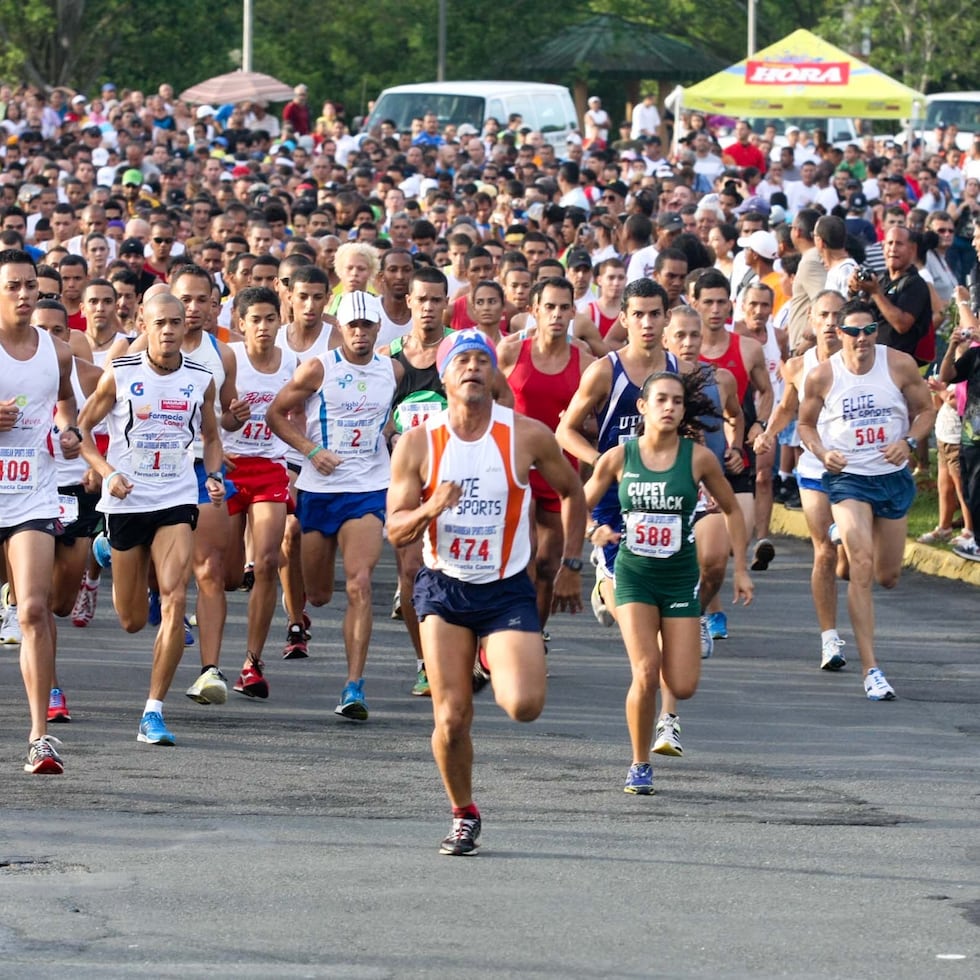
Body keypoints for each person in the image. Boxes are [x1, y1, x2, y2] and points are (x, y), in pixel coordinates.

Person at [386, 329, 586, 855]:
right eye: (463, 361)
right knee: (451, 718)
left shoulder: (527, 435)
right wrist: (433, 507)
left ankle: (492, 652)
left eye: (482, 360)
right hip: (443, 589)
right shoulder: (418, 443)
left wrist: (570, 563)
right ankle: (463, 813)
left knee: (523, 706)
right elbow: (396, 529)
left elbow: (572, 491)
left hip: (505, 590)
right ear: (445, 375)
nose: (473, 368)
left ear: (494, 375)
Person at [584, 371, 753, 794]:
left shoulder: (697, 459)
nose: (670, 408)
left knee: (683, 685)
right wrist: (593, 531)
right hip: (634, 576)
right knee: (645, 670)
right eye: (661, 400)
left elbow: (732, 510)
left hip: (679, 579)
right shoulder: (619, 457)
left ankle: (673, 703)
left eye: (677, 402)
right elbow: (577, 505)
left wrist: (741, 568)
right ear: (642, 407)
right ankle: (639, 763)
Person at [79, 292, 226, 745]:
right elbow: (81, 430)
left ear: (186, 326)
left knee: (174, 597)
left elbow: (211, 435)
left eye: (175, 322)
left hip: (176, 496)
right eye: (159, 322)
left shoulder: (201, 379)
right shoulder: (121, 373)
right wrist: (108, 473)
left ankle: (153, 712)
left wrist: (216, 474)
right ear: (143, 321)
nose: (167, 330)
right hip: (127, 499)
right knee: (130, 619)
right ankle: (105, 550)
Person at [267, 290, 402, 721]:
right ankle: (299, 614)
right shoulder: (319, 368)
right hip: (320, 488)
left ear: (378, 328)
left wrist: (393, 436)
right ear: (340, 328)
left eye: (367, 326)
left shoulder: (392, 370)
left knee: (360, 584)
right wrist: (309, 450)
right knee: (321, 595)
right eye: (352, 326)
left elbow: (393, 417)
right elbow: (275, 415)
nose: (360, 334)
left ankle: (353, 686)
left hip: (368, 486)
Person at [797, 300, 936, 700]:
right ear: (838, 334)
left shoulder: (899, 365)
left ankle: (850, 535)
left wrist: (908, 441)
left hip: (891, 478)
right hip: (848, 479)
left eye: (868, 330)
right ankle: (871, 669)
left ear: (877, 330)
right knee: (861, 564)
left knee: (886, 576)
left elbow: (925, 409)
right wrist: (823, 454)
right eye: (853, 331)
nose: (862, 339)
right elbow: (805, 423)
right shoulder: (823, 375)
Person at [557, 279, 689, 630]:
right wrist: (603, 461)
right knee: (636, 619)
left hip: (668, 492)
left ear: (667, 318)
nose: (647, 323)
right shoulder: (604, 371)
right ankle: (606, 585)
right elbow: (565, 430)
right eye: (639, 315)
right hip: (616, 495)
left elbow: (695, 430)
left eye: (655, 315)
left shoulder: (682, 371)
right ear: (625, 319)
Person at [0, 248, 81, 773]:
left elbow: (67, 401)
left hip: (32, 492)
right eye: (13, 287)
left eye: (30, 285)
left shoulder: (57, 351)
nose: (25, 295)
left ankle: (39, 738)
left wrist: (71, 432)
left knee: (32, 609)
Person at [754, 290, 850, 670]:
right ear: (811, 319)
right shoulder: (797, 365)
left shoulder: (861, 361)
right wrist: (768, 432)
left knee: (850, 562)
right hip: (813, 467)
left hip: (855, 469)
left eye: (837, 315)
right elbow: (786, 406)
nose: (830, 322)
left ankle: (850, 541)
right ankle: (830, 640)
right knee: (824, 549)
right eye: (824, 315)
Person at [498, 276, 593, 632]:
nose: (556, 315)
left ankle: (533, 639)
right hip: (516, 470)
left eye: (563, 308)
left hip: (557, 472)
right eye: (549, 307)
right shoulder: (509, 351)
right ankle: (503, 634)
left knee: (547, 566)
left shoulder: (584, 360)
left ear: (573, 312)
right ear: (534, 310)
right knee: (518, 563)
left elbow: (593, 422)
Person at [220, 286, 297, 697]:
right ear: (240, 323)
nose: (263, 327)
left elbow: (302, 417)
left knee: (266, 561)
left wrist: (300, 466)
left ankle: (252, 662)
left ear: (279, 321)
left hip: (271, 468)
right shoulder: (227, 359)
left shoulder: (294, 363)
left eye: (270, 319)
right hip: (231, 466)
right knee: (229, 576)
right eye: (255, 320)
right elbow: (214, 421)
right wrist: (230, 422)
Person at [937, 303, 980, 561]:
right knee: (971, 490)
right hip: (971, 434)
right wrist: (953, 347)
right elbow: (946, 375)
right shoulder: (974, 354)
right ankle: (976, 539)